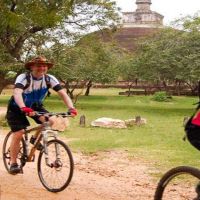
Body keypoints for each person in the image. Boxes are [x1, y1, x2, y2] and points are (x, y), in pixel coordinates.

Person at [6, 56, 77, 174]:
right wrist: (23, 107)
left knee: (50, 121)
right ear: (31, 67)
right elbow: (17, 93)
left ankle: (34, 139)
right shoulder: (23, 77)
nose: (42, 68)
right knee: (19, 133)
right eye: (38, 65)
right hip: (17, 107)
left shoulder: (49, 79)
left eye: (44, 66)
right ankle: (13, 163)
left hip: (35, 106)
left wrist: (71, 108)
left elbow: (62, 94)